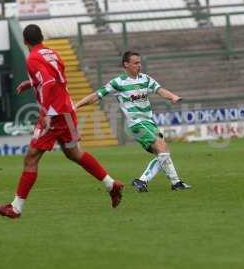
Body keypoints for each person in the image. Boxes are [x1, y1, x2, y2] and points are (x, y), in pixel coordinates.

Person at [0, 24, 124, 219]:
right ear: (42, 37)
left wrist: (45, 112)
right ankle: (111, 184)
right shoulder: (52, 53)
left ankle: (16, 207)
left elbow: (48, 82)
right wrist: (31, 83)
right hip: (67, 110)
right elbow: (57, 76)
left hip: (53, 115)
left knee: (31, 158)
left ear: (25, 41)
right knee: (73, 152)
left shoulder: (33, 58)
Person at [76, 51, 191, 192]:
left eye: (140, 62)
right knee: (162, 149)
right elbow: (96, 96)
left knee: (162, 152)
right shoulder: (118, 82)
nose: (139, 65)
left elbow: (160, 90)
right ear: (126, 64)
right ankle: (142, 181)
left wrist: (173, 96)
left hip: (148, 122)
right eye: (136, 63)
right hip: (137, 123)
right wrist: (76, 105)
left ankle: (176, 182)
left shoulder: (145, 79)